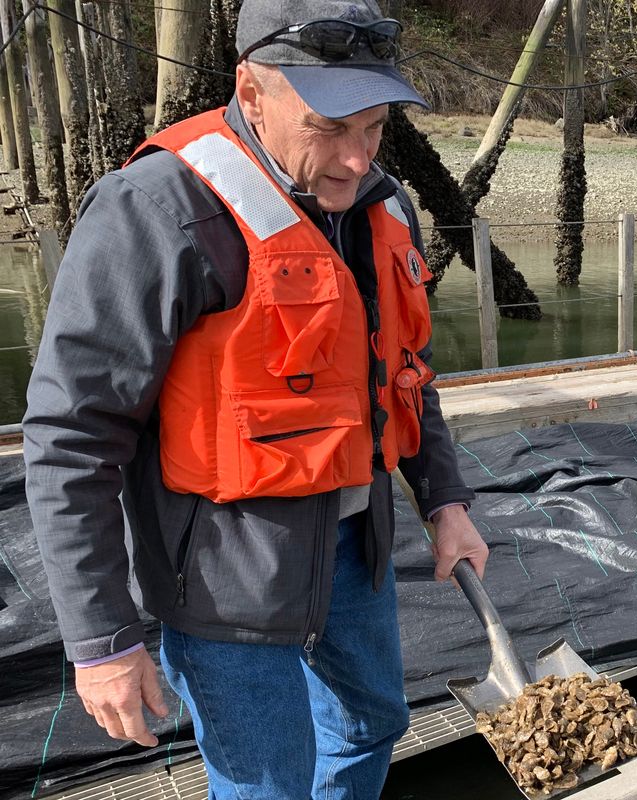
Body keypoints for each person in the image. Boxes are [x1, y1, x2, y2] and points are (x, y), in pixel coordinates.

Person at [22, 1, 488, 797]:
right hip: (222, 581)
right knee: (268, 784)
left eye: (373, 127)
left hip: (356, 549)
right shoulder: (155, 209)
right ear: (251, 88)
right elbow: (71, 435)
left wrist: (446, 499)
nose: (354, 158)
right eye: (327, 128)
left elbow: (406, 371)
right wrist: (103, 641)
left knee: (374, 723)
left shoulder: (383, 206)